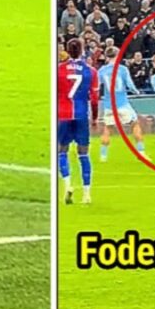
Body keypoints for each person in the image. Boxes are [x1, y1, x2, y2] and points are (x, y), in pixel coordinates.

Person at [57, 38, 98, 205]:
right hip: (81, 115)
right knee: (83, 154)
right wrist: (94, 118)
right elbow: (95, 99)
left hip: (63, 115)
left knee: (61, 151)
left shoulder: (58, 70)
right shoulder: (90, 71)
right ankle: (87, 194)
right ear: (82, 51)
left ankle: (67, 185)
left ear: (67, 50)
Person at [97, 46, 146, 162]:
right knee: (135, 124)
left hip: (109, 105)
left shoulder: (102, 71)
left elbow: (96, 86)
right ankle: (141, 152)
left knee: (107, 128)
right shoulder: (122, 69)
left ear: (106, 56)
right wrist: (137, 91)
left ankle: (103, 156)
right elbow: (130, 84)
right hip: (122, 104)